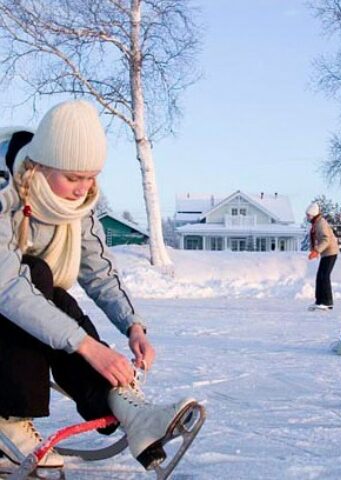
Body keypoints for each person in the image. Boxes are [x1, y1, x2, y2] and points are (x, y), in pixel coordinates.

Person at [0, 100, 202, 471]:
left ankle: (129, 409)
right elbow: (7, 287)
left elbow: (98, 271)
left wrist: (133, 325)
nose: (83, 189)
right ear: (40, 165)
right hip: (4, 292)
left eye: (91, 176)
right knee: (35, 278)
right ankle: (6, 422)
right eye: (73, 177)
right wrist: (88, 346)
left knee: (52, 295)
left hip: (19, 293)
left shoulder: (80, 204)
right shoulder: (3, 188)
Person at [306, 201, 339, 311]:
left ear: (313, 214)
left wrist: (316, 251)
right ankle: (320, 300)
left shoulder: (321, 223)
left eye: (308, 215)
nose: (307, 217)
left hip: (331, 252)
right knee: (320, 276)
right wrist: (315, 251)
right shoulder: (316, 223)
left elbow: (326, 239)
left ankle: (327, 302)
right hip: (326, 253)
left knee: (324, 276)